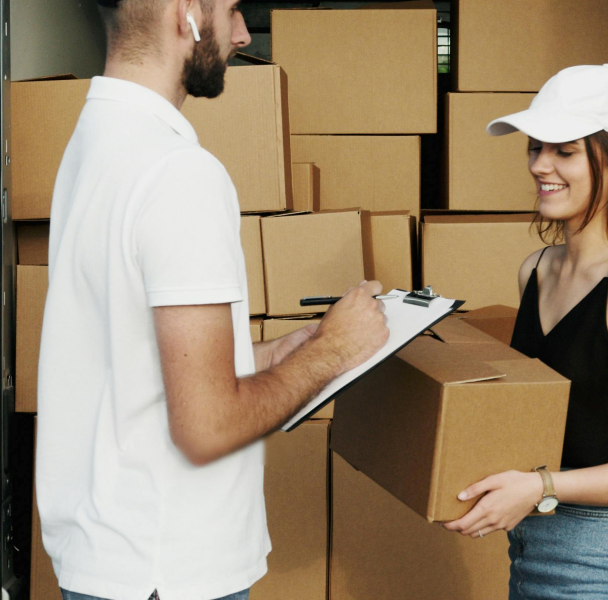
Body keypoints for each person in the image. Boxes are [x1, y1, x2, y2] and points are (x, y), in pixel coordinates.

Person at [35, 2, 389, 600]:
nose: (243, 34)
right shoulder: (179, 173)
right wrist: (333, 350)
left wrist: (276, 353)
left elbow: (130, 355)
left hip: (111, 558)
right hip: (167, 573)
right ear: (188, 14)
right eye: (231, 10)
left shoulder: (97, 140)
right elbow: (207, 427)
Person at [443, 64, 608, 600]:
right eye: (535, 147)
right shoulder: (536, 270)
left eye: (565, 150)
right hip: (532, 548)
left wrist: (540, 486)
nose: (540, 164)